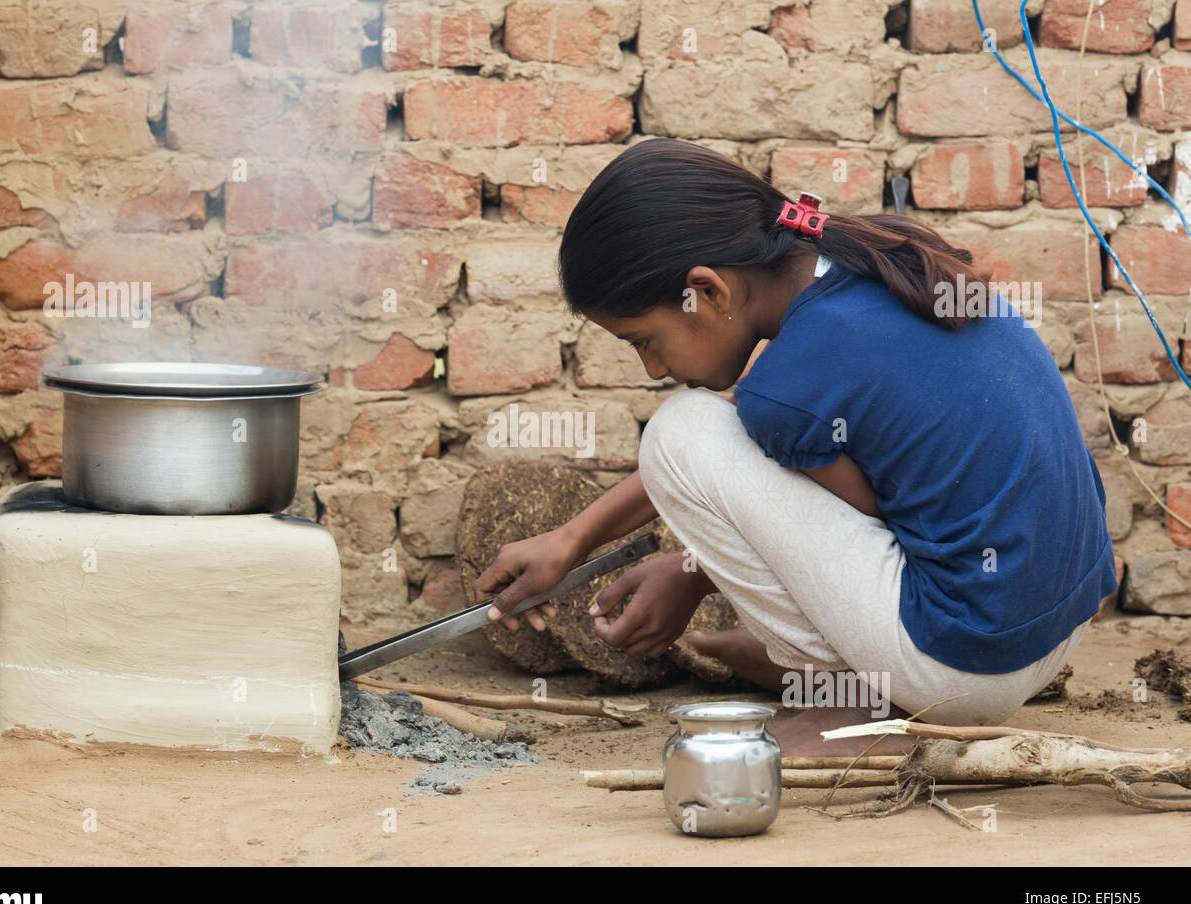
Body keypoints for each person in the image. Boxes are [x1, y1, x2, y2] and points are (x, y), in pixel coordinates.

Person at [471, 138, 1118, 753]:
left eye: (644, 339)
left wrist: (700, 570)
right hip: (1055, 632)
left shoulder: (782, 386)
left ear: (709, 292)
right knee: (720, 431)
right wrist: (576, 542)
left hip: (966, 668)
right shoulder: (873, 257)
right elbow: (811, 481)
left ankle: (859, 701)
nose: (650, 368)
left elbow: (865, 522)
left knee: (677, 430)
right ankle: (868, 678)